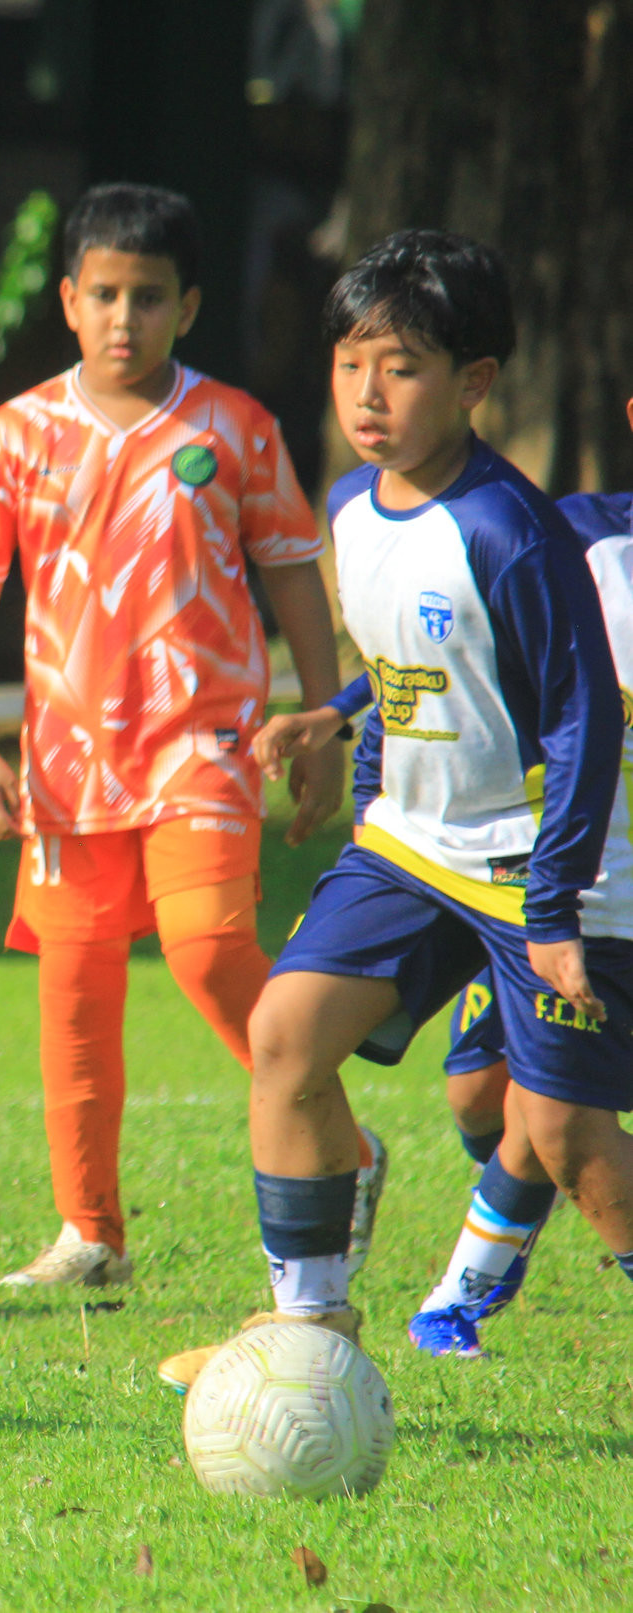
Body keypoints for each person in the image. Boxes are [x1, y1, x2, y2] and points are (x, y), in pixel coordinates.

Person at [158, 229, 626, 1391]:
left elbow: (581, 721)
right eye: (350, 361)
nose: (369, 392)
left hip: (527, 866)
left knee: (566, 1137)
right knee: (282, 1035)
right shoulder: (353, 504)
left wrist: (555, 904)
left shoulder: (512, 533)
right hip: (408, 846)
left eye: (404, 365)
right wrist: (334, 715)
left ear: (474, 383)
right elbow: (420, 650)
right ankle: (308, 1333)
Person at [0, 183, 362, 1291]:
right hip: (65, 766)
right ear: (69, 301)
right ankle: (91, 1233)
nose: (126, 318)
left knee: (207, 944)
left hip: (203, 747)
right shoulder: (14, 435)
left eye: (150, 297)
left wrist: (319, 718)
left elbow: (291, 580)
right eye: (106, 294)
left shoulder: (234, 429)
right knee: (74, 990)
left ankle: (337, 1144)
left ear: (189, 306)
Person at [397, 440, 633, 1359]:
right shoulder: (574, 534)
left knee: (557, 1115)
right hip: (536, 875)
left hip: (606, 906)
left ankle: (459, 1295)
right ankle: (485, 1264)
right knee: (475, 1094)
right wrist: (340, 707)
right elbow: (451, 626)